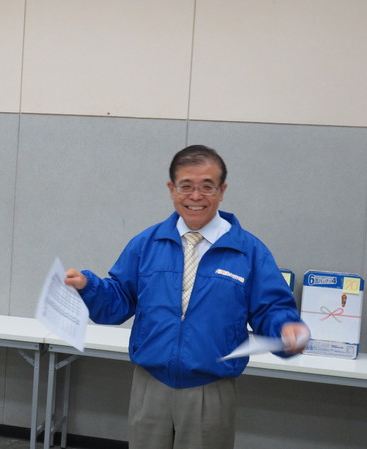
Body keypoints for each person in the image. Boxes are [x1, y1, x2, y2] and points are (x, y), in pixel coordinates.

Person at [65, 145, 309, 449]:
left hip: (211, 390)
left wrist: (285, 327)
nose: (196, 196)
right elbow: (118, 302)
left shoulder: (249, 252)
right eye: (186, 186)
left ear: (222, 191)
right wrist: (88, 286)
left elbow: (272, 308)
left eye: (207, 186)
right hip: (150, 385)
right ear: (172, 189)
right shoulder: (146, 244)